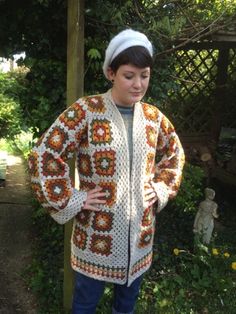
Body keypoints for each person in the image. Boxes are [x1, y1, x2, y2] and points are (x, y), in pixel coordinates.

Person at [28, 29, 185, 314]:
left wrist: (160, 188)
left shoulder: (153, 118)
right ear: (111, 73)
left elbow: (175, 154)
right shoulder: (87, 111)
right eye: (129, 75)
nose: (138, 84)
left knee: (126, 307)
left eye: (145, 75)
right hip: (95, 239)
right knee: (84, 305)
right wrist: (72, 198)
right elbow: (45, 154)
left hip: (139, 237)